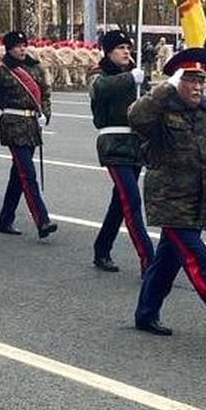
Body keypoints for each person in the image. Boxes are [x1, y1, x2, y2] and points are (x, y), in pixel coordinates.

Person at [129, 47, 206, 341]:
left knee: (166, 263)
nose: (198, 86)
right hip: (170, 200)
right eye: (190, 80)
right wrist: (164, 89)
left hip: (197, 200)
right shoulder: (160, 109)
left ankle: (146, 313)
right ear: (176, 81)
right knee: (199, 260)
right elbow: (136, 118)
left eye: (201, 80)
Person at [89, 29, 154, 274]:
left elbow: (149, 103)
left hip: (136, 144)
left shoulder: (135, 75)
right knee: (132, 200)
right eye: (120, 48)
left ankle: (102, 248)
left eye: (128, 47)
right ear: (108, 52)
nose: (127, 51)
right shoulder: (100, 74)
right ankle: (149, 260)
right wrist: (131, 79)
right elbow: (99, 89)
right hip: (113, 143)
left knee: (121, 201)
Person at [0, 30, 57, 239]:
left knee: (18, 175)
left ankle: (5, 219)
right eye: (18, 46)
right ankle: (42, 220)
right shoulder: (1, 72)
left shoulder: (35, 68)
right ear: (9, 48)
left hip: (32, 125)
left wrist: (45, 114)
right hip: (13, 123)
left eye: (24, 45)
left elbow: (45, 94)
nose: (22, 48)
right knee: (28, 174)